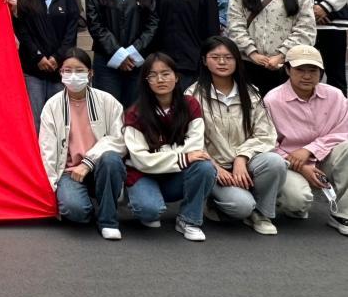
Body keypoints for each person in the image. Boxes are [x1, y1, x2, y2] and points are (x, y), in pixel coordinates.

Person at [186, 37, 285, 235]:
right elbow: (190, 141)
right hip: (214, 167)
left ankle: (261, 213)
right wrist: (215, 166)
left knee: (275, 162)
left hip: (246, 162)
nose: (222, 62)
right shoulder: (192, 95)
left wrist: (242, 157)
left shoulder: (251, 93)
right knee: (241, 206)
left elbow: (266, 134)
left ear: (237, 61)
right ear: (204, 60)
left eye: (228, 57)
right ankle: (214, 202)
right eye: (215, 57)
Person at [123, 54, 218, 240]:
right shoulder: (135, 113)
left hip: (174, 176)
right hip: (144, 174)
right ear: (146, 81)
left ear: (176, 77)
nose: (160, 79)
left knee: (205, 167)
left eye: (166, 73)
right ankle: (141, 202)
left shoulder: (190, 104)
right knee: (149, 211)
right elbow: (141, 160)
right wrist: (181, 157)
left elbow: (195, 146)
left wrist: (159, 153)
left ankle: (189, 220)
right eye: (153, 75)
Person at [38, 49, 127, 240]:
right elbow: (47, 151)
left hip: (99, 167)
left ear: (90, 73)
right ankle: (95, 204)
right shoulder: (52, 106)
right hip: (69, 172)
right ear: (60, 73)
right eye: (67, 70)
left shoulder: (107, 101)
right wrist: (51, 191)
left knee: (111, 159)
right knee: (75, 211)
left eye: (79, 70)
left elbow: (119, 140)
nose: (73, 75)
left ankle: (108, 220)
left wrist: (88, 163)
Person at [263, 45, 348, 235]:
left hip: (326, 158)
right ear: (287, 70)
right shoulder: (272, 100)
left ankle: (342, 214)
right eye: (300, 70)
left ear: (321, 72)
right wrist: (301, 166)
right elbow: (268, 143)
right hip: (290, 163)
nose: (307, 76)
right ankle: (290, 204)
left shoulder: (335, 95)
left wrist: (310, 149)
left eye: (313, 70)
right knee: (297, 202)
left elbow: (344, 130)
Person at [228, 0, 317, 94]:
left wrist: (281, 55)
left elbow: (306, 28)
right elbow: (234, 24)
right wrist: (252, 53)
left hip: (286, 65)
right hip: (248, 63)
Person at [11, 0, 79, 128]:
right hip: (32, 69)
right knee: (35, 120)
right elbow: (22, 31)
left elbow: (71, 32)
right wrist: (38, 57)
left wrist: (57, 57)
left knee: (60, 120)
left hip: (60, 68)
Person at [86, 0, 159, 107]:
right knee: (108, 110)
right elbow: (96, 26)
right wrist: (118, 53)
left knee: (137, 111)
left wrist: (132, 52)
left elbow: (153, 23)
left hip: (137, 61)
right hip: (106, 61)